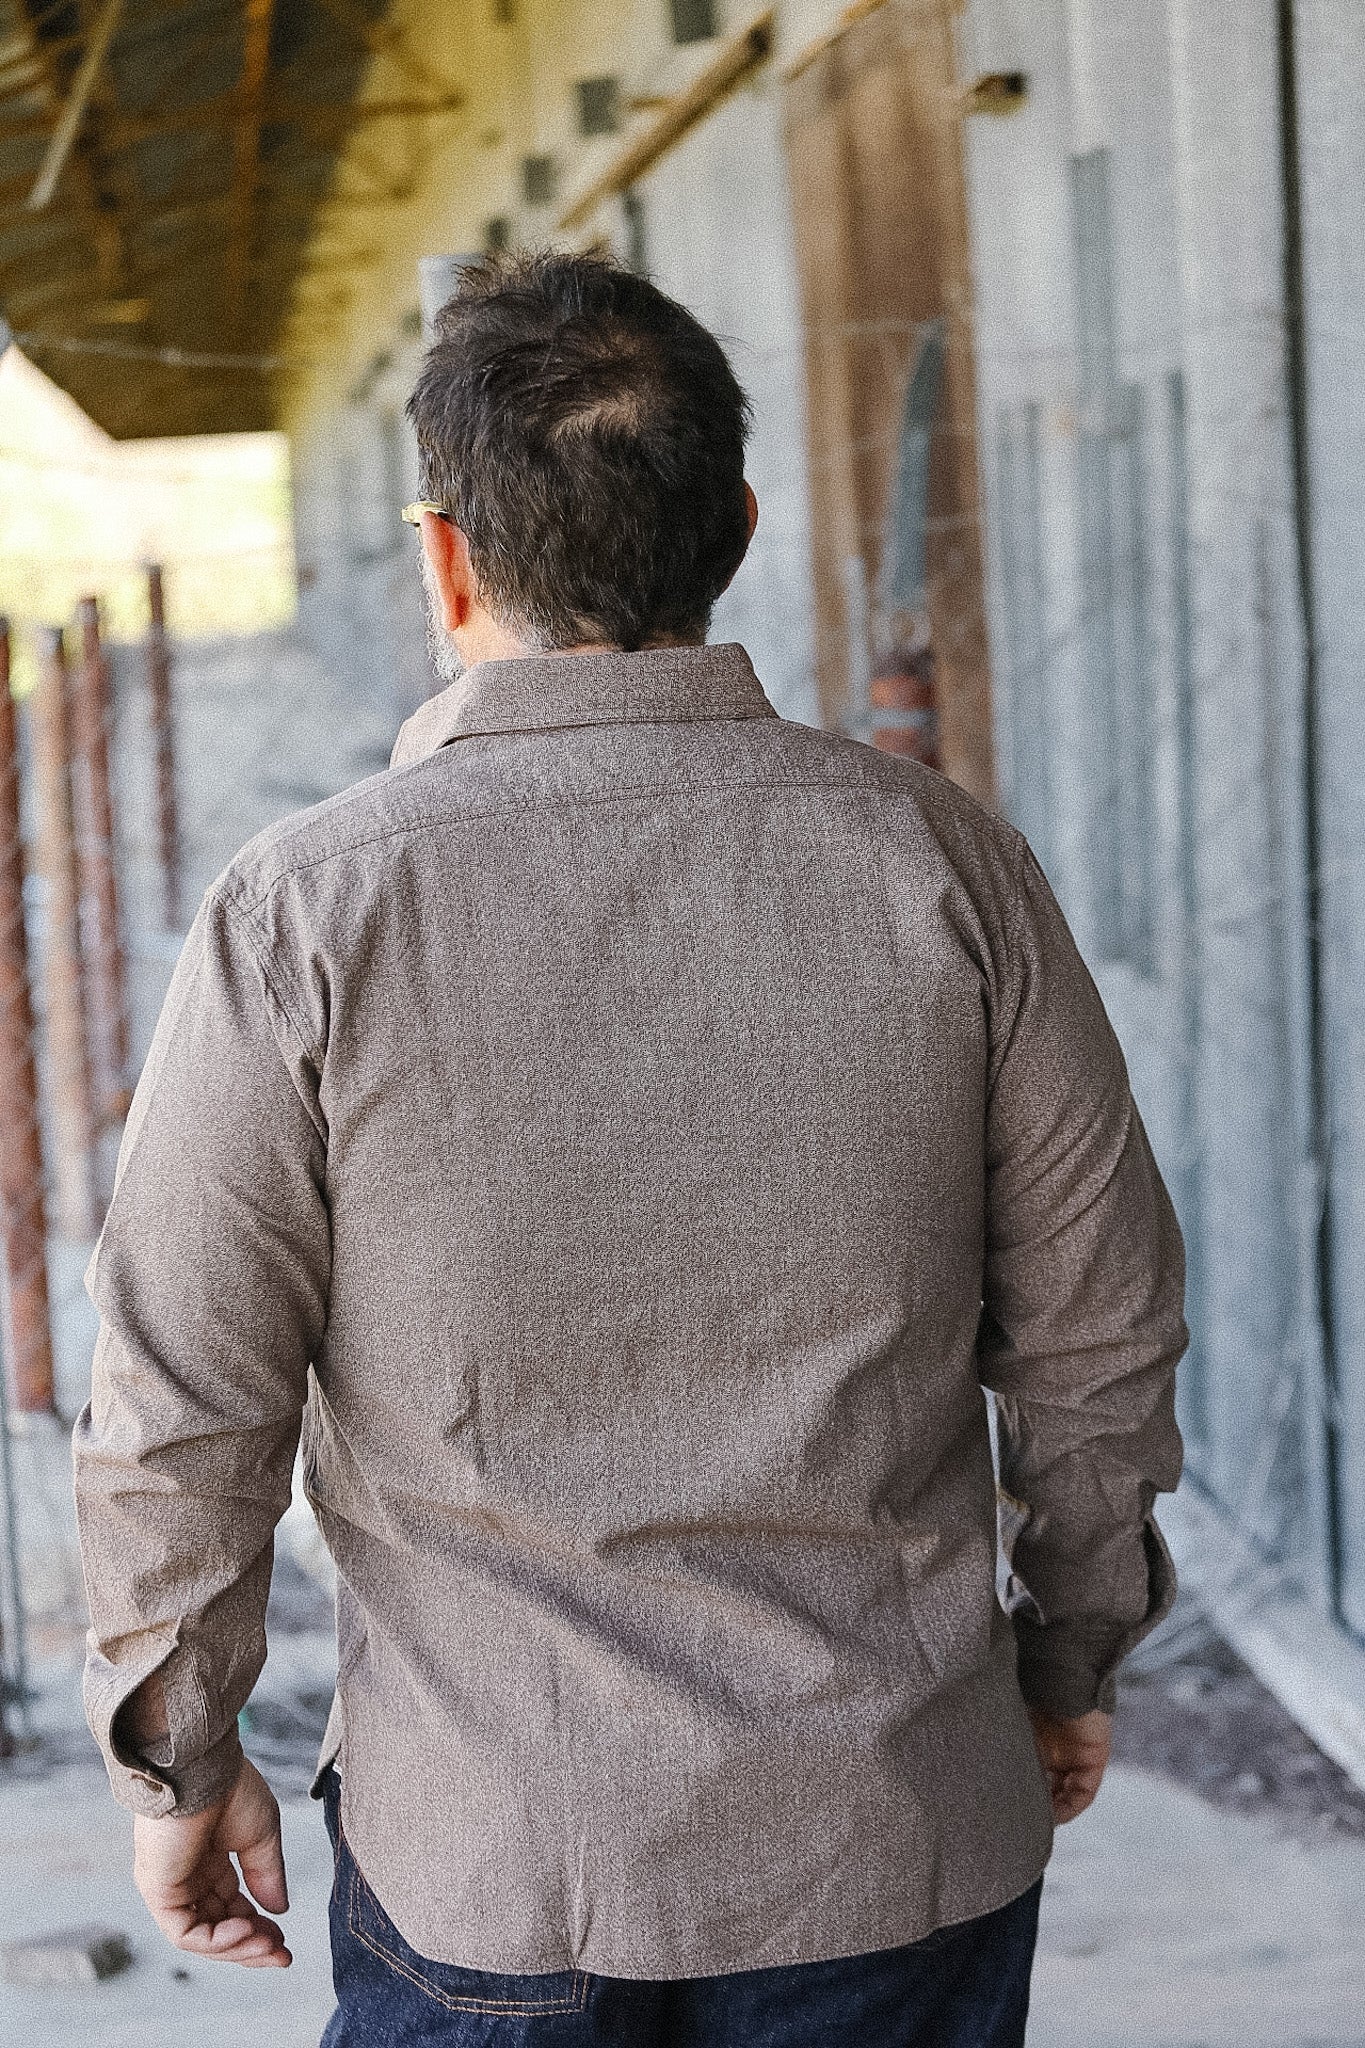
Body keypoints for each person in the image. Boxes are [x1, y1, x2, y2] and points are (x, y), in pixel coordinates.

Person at [73, 250, 1185, 2047]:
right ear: (733, 526)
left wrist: (176, 1757)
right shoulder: (945, 866)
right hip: (891, 1833)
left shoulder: (306, 915)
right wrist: (1070, 1651)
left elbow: (184, 1397)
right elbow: (1098, 1338)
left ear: (445, 561)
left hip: (495, 1858)